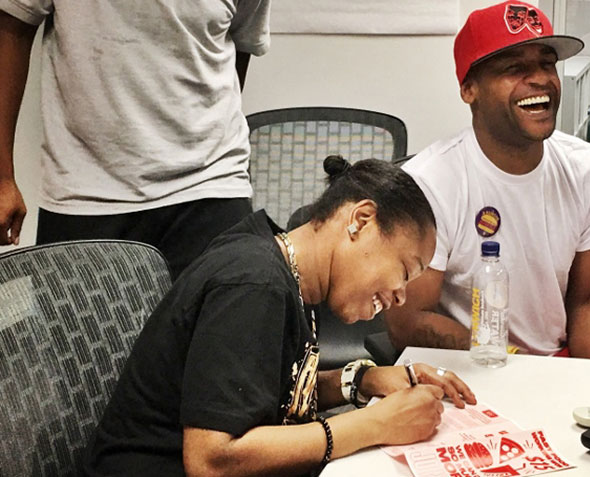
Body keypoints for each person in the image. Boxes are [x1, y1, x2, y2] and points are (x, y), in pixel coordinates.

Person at [82, 156, 477, 476]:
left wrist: (361, 380)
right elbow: (211, 460)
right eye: (404, 271)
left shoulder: (288, 271)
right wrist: (374, 424)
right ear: (360, 220)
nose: (399, 297)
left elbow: (272, 391)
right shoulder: (254, 284)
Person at [385, 1, 590, 360]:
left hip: (558, 363)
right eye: (514, 68)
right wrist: (506, 358)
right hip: (468, 369)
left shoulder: (587, 168)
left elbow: (589, 302)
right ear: (469, 90)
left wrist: (589, 391)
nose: (540, 79)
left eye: (546, 64)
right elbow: (409, 322)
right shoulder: (429, 182)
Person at [0, 0, 270, 278]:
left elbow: (240, 42)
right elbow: (14, 27)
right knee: (71, 323)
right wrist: (3, 178)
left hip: (211, 187)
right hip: (86, 193)